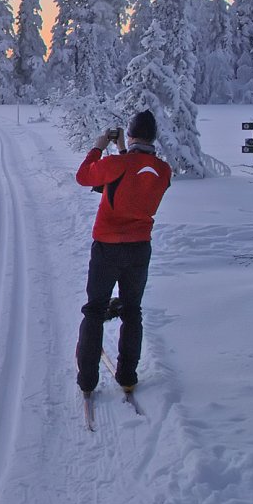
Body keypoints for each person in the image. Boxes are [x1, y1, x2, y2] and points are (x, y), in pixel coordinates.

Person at [74, 109, 172, 395]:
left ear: (129, 135)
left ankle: (88, 381)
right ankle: (128, 375)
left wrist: (98, 146)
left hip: (107, 247)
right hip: (139, 248)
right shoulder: (163, 171)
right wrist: (121, 151)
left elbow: (85, 177)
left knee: (94, 311)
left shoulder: (118, 163)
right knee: (132, 311)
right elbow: (132, 179)